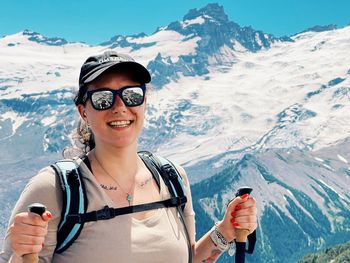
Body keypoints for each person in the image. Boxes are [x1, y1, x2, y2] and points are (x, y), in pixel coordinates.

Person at [0, 50, 257, 263]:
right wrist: (20, 256)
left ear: (144, 103)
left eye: (132, 95)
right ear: (83, 112)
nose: (120, 106)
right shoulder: (53, 189)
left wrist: (225, 231)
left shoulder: (173, 178)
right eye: (102, 99)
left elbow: (188, 259)